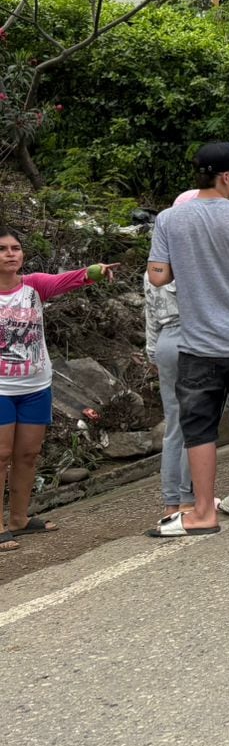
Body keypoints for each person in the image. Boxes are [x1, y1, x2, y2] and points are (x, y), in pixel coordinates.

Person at [145, 143, 229, 536]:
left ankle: (203, 510)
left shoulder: (170, 219)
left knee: (200, 427)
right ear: (224, 176)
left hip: (199, 343)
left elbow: (158, 275)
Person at [0, 235, 113, 550]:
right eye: (2, 249)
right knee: (1, 455)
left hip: (36, 386)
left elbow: (66, 280)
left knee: (27, 455)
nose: (10, 254)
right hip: (1, 389)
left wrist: (94, 272)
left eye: (15, 248)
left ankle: (19, 520)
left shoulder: (34, 286)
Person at [144, 190, 196, 523]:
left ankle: (170, 503)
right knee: (197, 422)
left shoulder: (154, 264)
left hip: (164, 341)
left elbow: (150, 313)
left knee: (174, 425)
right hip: (193, 337)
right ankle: (191, 500)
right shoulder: (194, 260)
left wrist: (153, 350)